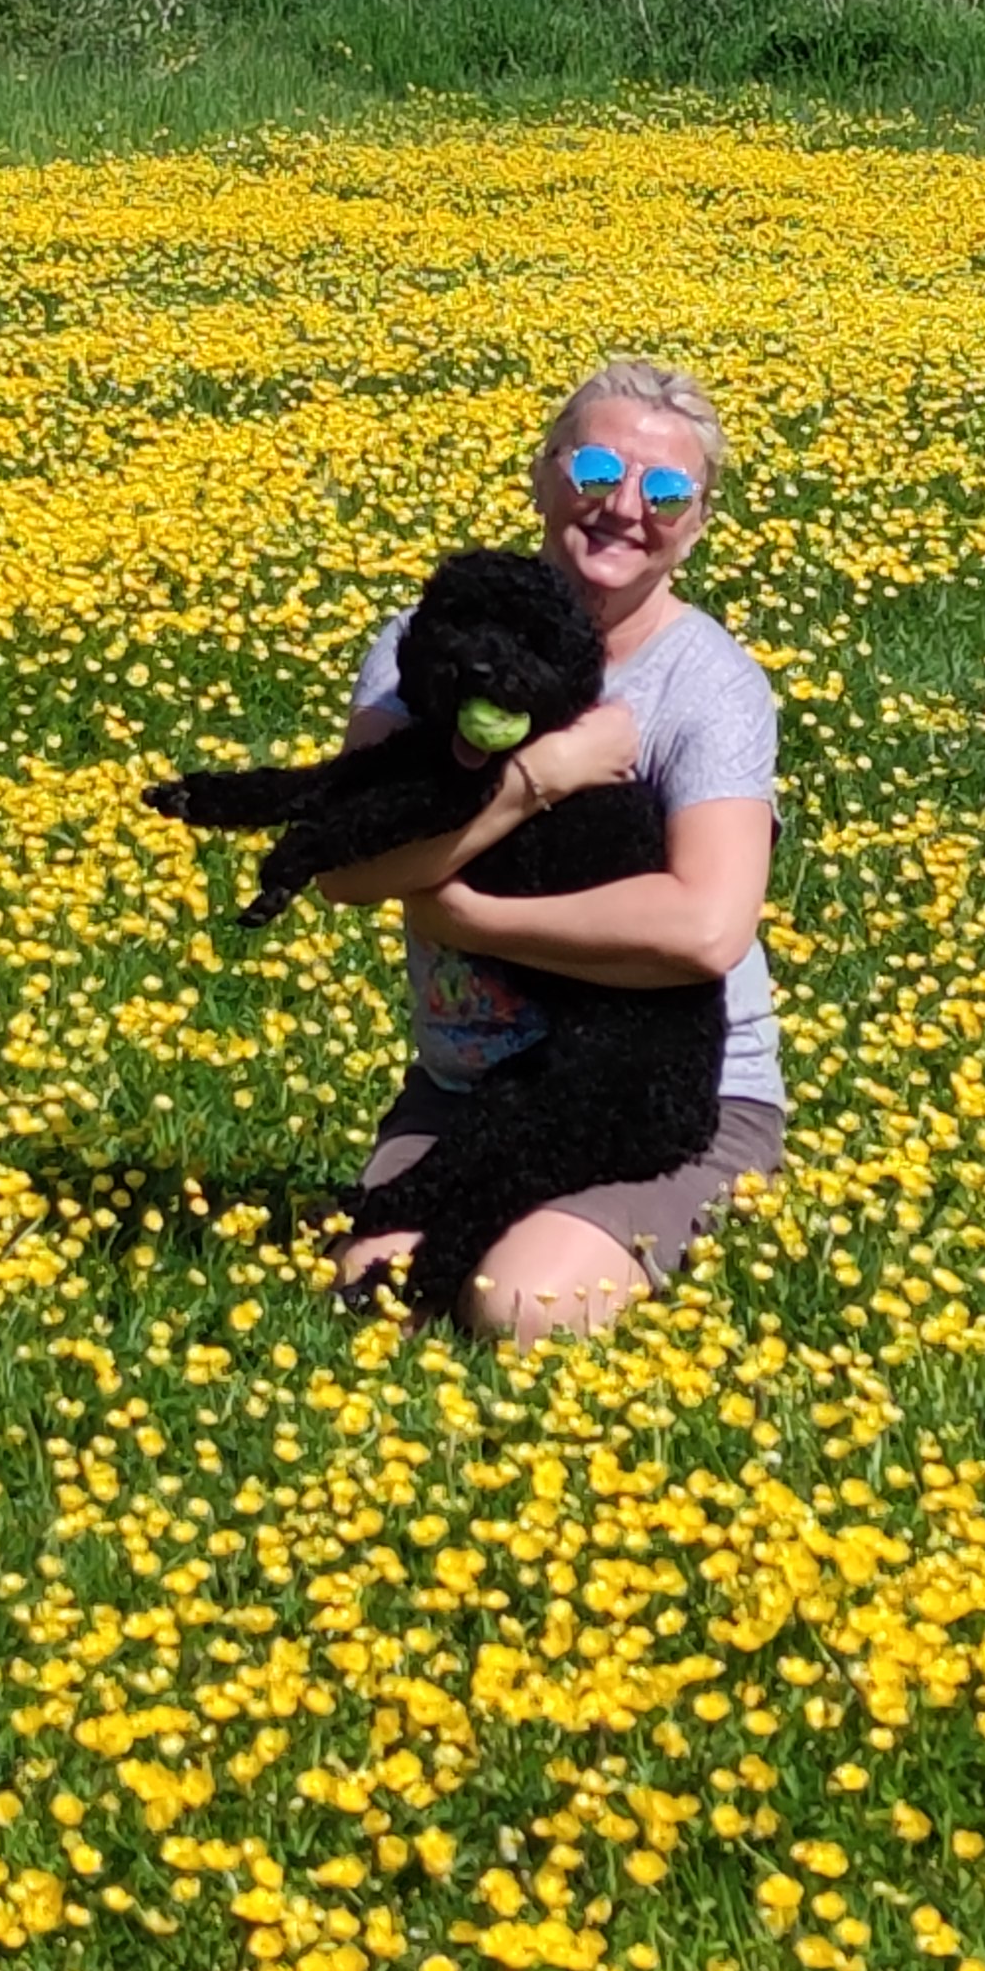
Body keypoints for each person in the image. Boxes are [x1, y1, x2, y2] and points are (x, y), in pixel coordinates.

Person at [320, 358, 783, 1344]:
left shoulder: (705, 684)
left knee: (517, 1303)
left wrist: (473, 918)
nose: (625, 508)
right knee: (373, 1293)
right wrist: (544, 774)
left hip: (673, 1096)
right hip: (469, 1090)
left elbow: (706, 927)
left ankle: (689, 1207)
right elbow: (346, 866)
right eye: (597, 470)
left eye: (666, 491)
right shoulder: (426, 647)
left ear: (696, 524)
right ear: (542, 474)